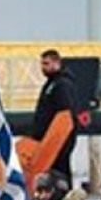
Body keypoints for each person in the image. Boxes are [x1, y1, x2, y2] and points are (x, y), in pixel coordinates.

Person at [32, 49, 78, 179]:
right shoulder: (51, 84)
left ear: (56, 63)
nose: (43, 68)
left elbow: (65, 113)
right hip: (49, 139)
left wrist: (56, 138)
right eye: (42, 64)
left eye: (46, 64)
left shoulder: (62, 85)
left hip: (58, 140)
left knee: (59, 170)